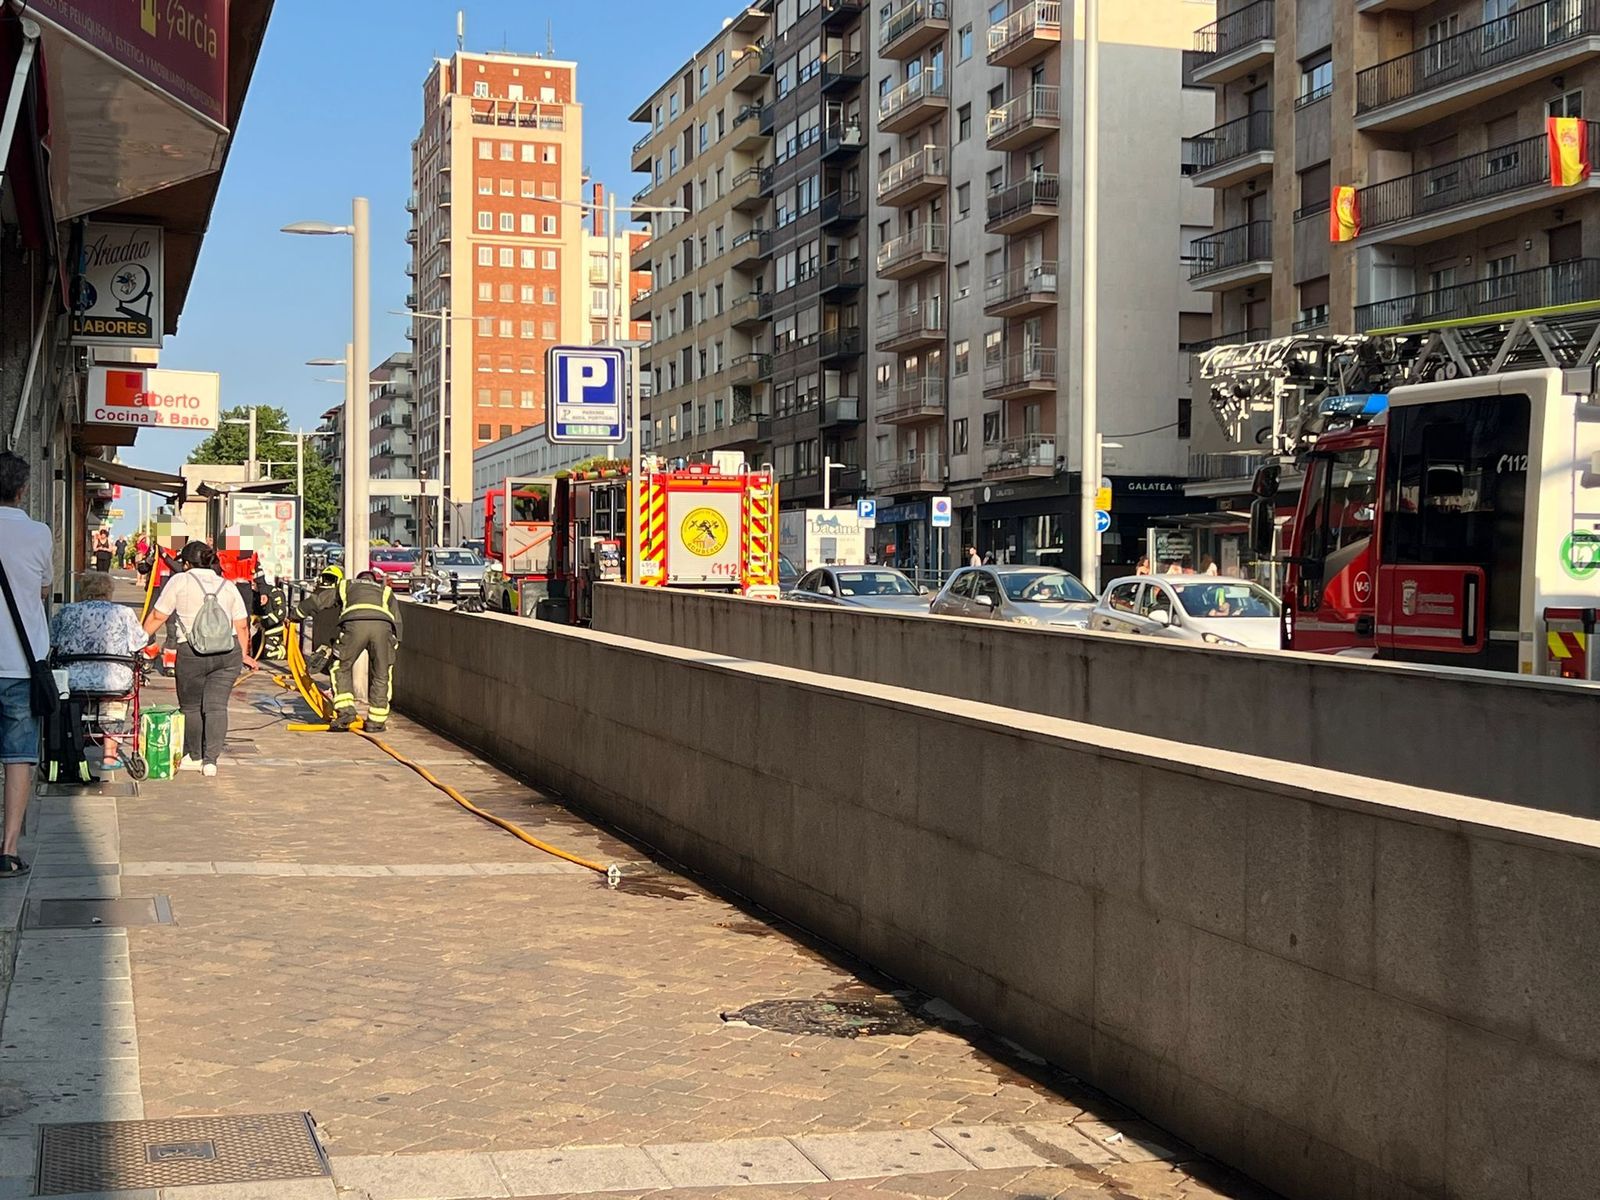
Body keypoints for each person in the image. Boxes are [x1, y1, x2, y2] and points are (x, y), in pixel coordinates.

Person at [142, 541, 256, 777]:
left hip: (192, 652)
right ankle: (211, 761)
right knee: (216, 706)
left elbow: (158, 615)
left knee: (191, 706)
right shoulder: (227, 584)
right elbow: (242, 625)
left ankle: (194, 756)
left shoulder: (180, 581)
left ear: (185, 562)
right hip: (228, 653)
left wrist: (139, 639)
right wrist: (244, 653)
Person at [0, 452, 51, 876]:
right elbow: (44, 587)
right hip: (21, 662)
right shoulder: (38, 534)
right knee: (18, 757)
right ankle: (9, 848)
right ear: (23, 490)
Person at [50, 572, 149, 773]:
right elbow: (140, 642)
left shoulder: (67, 611)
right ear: (109, 591)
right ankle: (110, 756)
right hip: (113, 678)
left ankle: (73, 745)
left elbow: (52, 640)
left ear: (83, 591)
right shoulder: (124, 612)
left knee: (71, 698)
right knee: (114, 699)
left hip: (73, 679)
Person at [298, 567, 403, 733]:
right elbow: (397, 620)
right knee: (382, 673)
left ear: (358, 579)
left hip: (355, 625)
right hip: (384, 628)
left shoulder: (346, 585)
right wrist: (394, 644)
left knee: (341, 667)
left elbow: (319, 600)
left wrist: (295, 614)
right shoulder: (386, 591)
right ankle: (376, 721)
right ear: (373, 582)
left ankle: (346, 713)